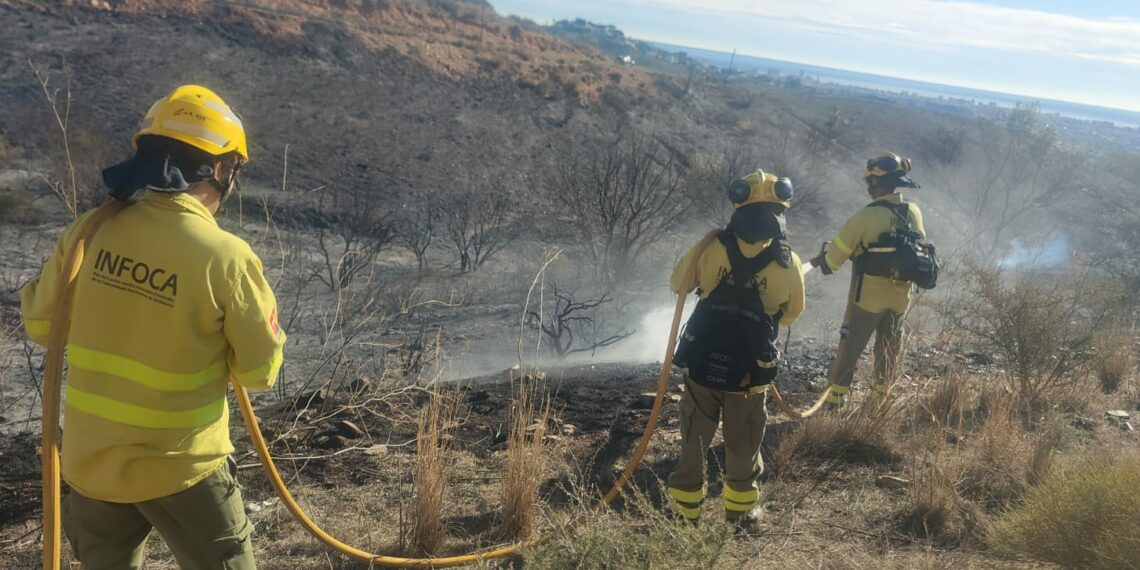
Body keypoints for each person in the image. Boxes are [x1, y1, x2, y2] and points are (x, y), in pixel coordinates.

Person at [21, 85, 285, 570]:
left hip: (92, 466)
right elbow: (259, 372)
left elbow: (41, 325)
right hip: (183, 469)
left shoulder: (88, 232)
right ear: (220, 170)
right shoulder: (227, 258)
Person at [667, 169, 806, 528]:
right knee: (744, 441)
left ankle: (684, 513)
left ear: (739, 204)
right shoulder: (788, 261)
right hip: (750, 372)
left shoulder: (710, 247)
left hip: (701, 363)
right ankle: (741, 514)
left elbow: (678, 284)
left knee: (694, 437)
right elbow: (792, 313)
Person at [810, 152, 926, 407]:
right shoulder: (914, 212)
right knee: (888, 352)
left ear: (877, 183)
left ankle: (833, 402)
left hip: (867, 298)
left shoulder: (866, 216)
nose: (869, 188)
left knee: (849, 349)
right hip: (901, 297)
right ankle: (877, 403)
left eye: (870, 183)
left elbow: (831, 263)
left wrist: (823, 259)